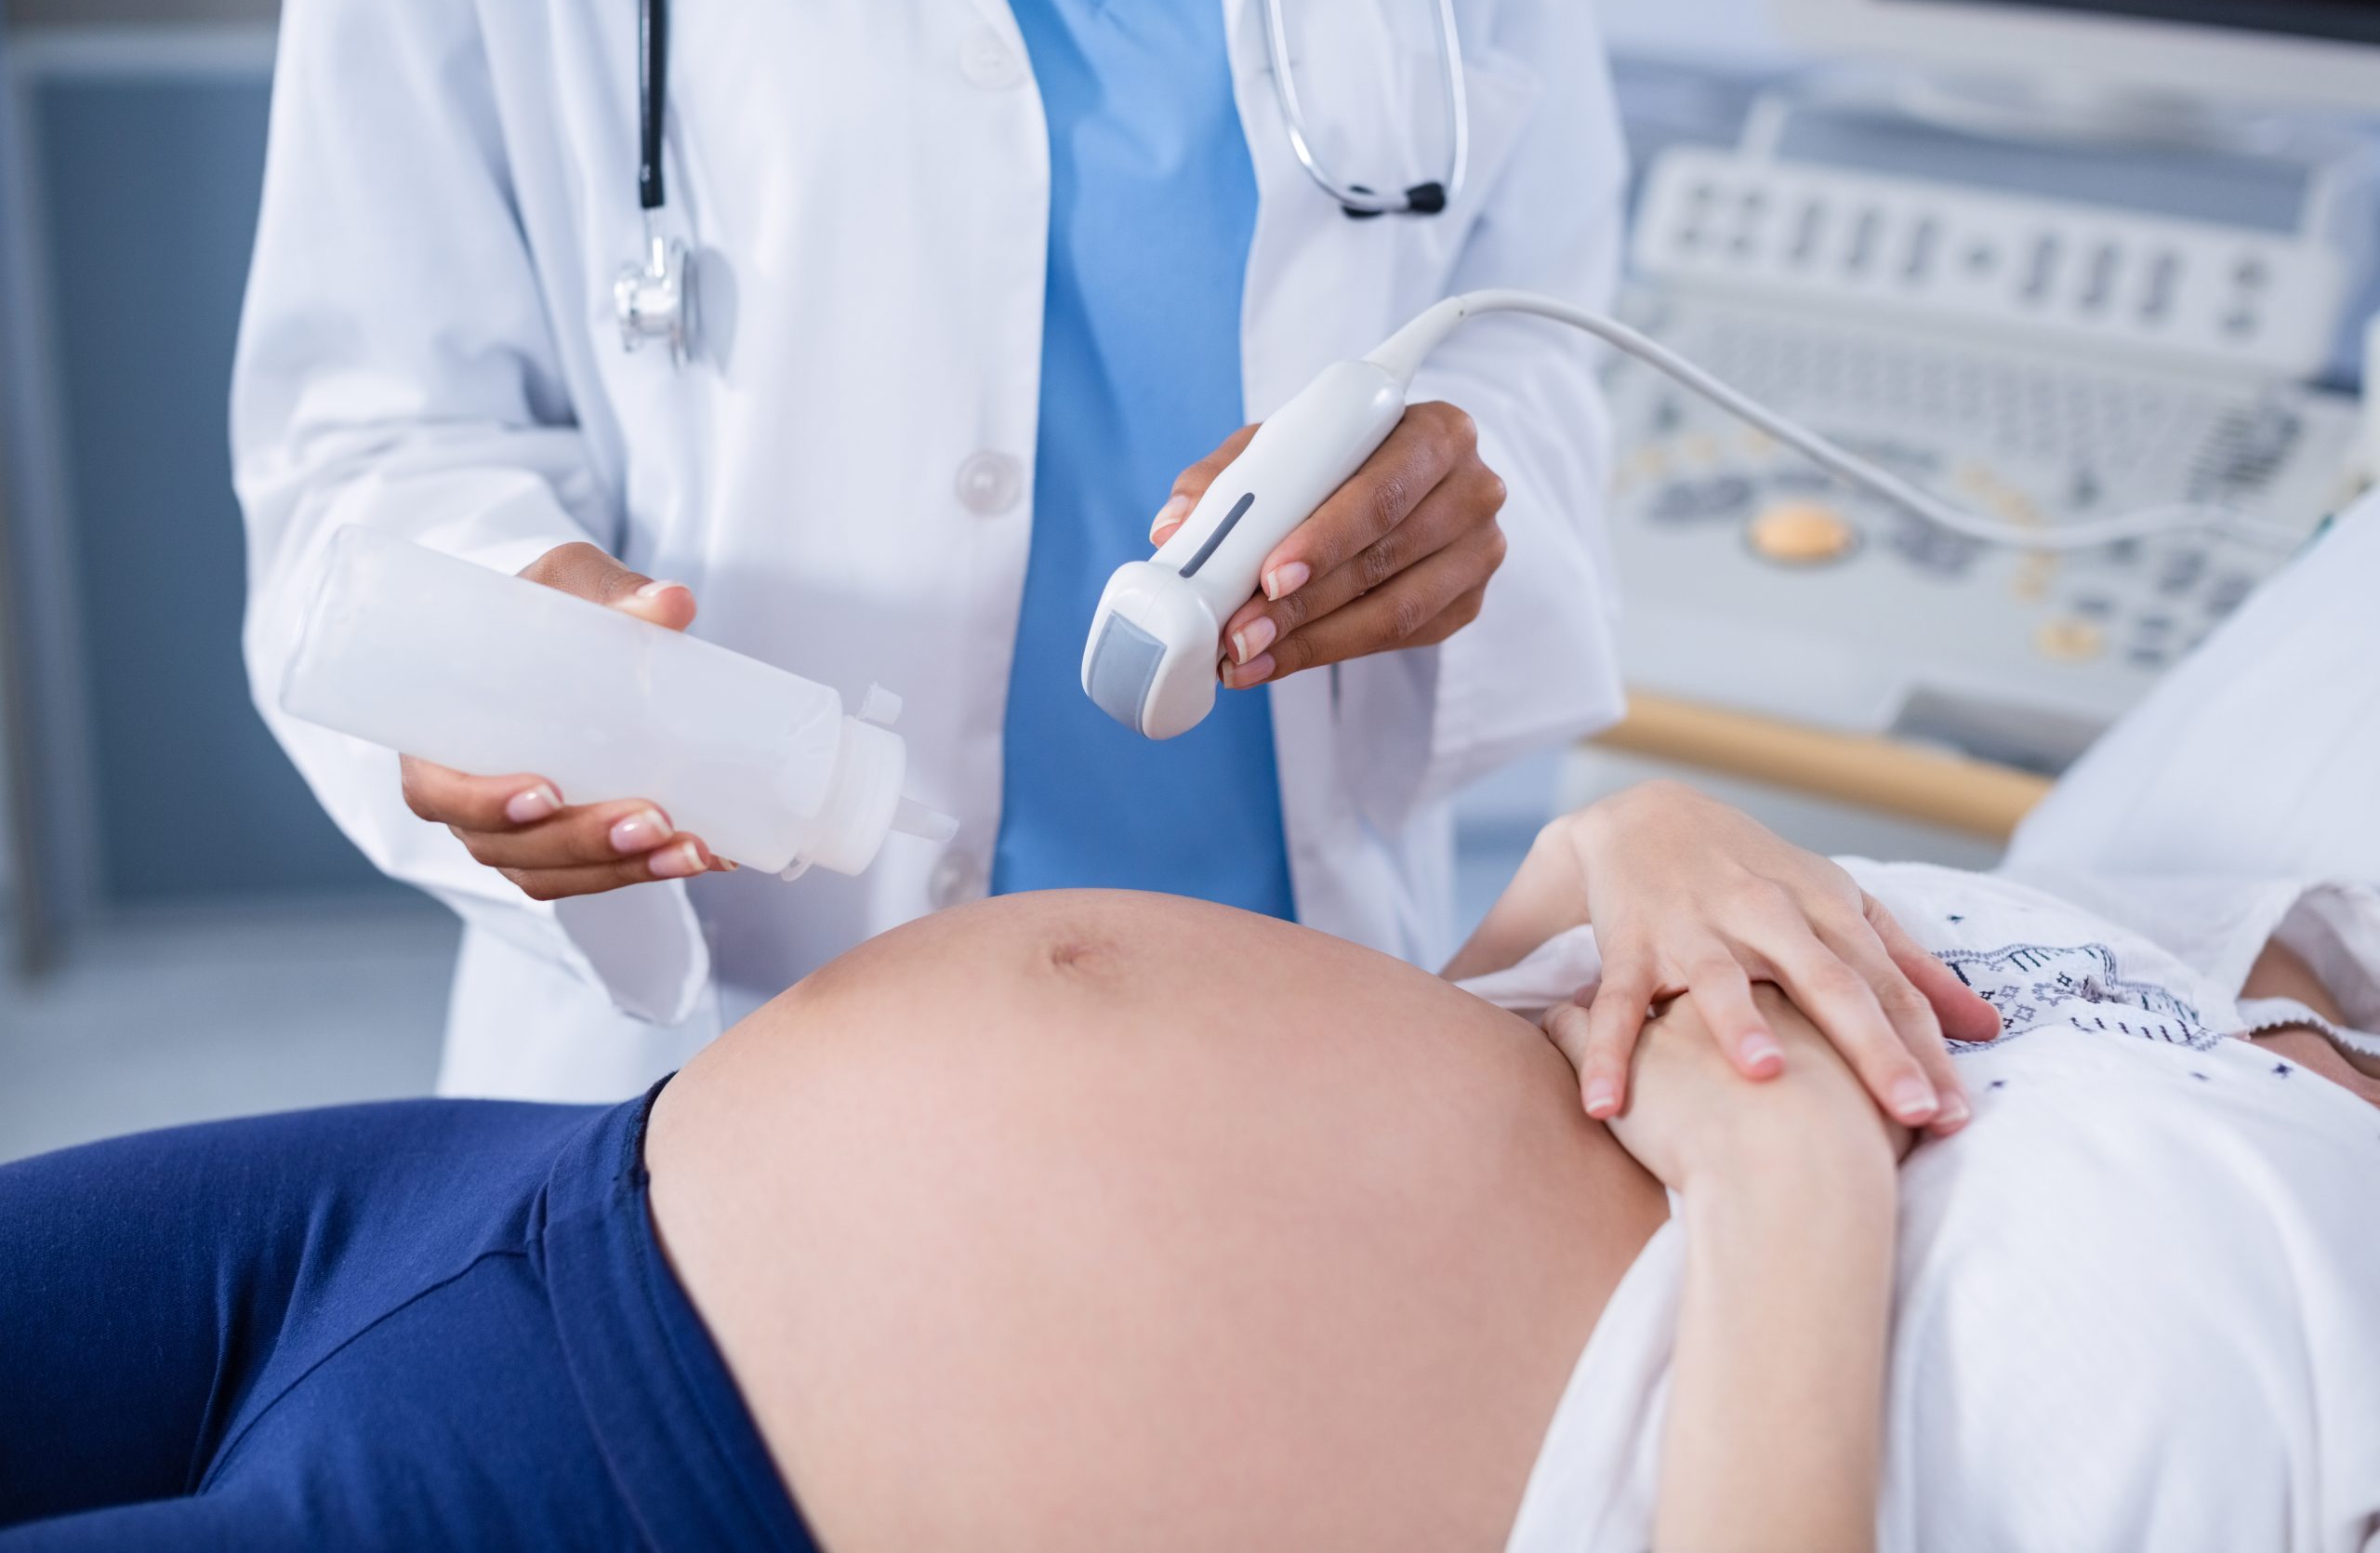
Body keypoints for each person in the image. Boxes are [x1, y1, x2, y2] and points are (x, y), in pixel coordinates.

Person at [2, 782, 2374, 1552]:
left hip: (673, 1476)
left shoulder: (2307, 1379)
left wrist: (1792, 1205)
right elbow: (1459, 1082)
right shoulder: (2206, 988)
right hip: (502, 1189)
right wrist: (1607, 849)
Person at [231, 0, 1650, 1100]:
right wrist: (506, 639)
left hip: (1299, 1013)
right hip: (730, 1042)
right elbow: (373, 428)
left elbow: (1535, 332)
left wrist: (1458, 493)